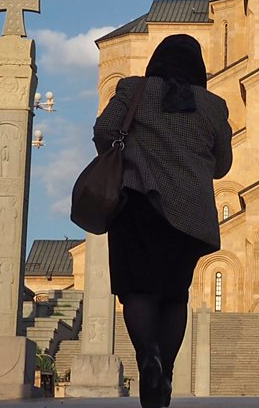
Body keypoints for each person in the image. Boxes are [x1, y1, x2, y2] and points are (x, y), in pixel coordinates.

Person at [94, 35, 232, 408]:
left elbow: (105, 131)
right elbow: (223, 165)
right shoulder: (213, 105)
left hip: (137, 203)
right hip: (187, 212)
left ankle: (147, 356)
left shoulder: (133, 90)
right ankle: (165, 370)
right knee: (174, 294)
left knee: (138, 291)